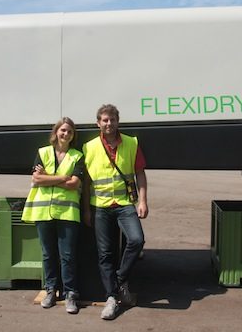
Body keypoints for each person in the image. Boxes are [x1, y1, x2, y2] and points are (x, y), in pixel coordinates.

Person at [82, 104, 149, 320]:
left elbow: (140, 173)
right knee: (105, 254)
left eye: (112, 119)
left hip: (125, 204)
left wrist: (143, 201)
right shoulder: (89, 147)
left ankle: (119, 279)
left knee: (137, 240)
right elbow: (86, 182)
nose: (108, 123)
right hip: (100, 206)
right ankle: (111, 298)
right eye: (104, 120)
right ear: (98, 123)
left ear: (117, 121)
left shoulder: (131, 143)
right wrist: (86, 210)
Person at [21, 117, 84, 314]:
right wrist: (63, 177)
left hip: (67, 213)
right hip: (43, 212)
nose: (65, 134)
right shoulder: (43, 152)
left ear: (73, 136)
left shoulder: (77, 156)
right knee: (48, 255)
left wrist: (48, 177)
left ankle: (70, 294)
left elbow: (74, 184)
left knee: (67, 255)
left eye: (69, 132)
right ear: (56, 132)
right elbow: (36, 178)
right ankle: (51, 290)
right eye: (63, 130)